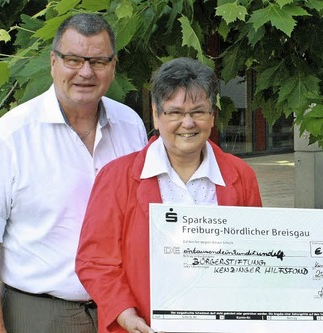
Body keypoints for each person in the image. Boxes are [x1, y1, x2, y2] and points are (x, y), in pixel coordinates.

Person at [0, 13, 148, 333]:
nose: (85, 72)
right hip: (39, 313)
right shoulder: (8, 138)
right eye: (73, 59)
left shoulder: (131, 127)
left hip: (121, 312)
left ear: (114, 65)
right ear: (53, 61)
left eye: (98, 61)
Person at [75, 57, 263, 333]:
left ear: (212, 115)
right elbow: (95, 261)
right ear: (156, 113)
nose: (188, 123)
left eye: (198, 112)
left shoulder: (241, 176)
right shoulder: (117, 177)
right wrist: (124, 313)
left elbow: (256, 255)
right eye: (175, 112)